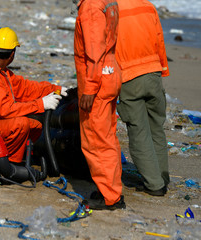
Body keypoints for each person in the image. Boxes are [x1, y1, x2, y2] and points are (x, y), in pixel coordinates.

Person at [0, 27, 67, 165]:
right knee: (20, 124)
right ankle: (6, 165)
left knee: (35, 126)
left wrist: (56, 89)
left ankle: (8, 158)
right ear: (12, 54)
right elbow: (5, 110)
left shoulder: (1, 72)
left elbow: (25, 88)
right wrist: (40, 104)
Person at [73, 0, 125, 210]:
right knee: (108, 137)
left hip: (98, 79)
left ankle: (109, 196)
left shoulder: (90, 7)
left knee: (96, 141)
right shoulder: (105, 1)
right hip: (110, 72)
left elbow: (94, 50)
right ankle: (109, 188)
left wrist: (89, 87)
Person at [115, 0, 170, 196]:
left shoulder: (109, 8)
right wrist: (162, 68)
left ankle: (154, 185)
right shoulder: (147, 6)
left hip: (128, 77)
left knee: (139, 131)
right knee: (156, 127)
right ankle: (162, 178)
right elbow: (159, 39)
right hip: (153, 71)